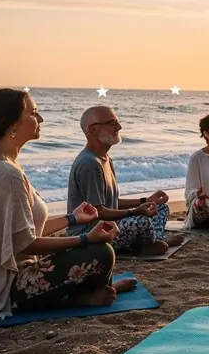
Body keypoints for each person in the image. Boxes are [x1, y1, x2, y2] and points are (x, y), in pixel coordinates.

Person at [0, 88, 132, 323]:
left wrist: (73, 219)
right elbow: (27, 243)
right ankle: (78, 298)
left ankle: (90, 292)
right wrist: (86, 239)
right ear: (11, 124)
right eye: (34, 113)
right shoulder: (6, 173)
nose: (40, 119)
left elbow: (22, 231)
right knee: (100, 251)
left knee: (94, 249)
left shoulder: (1, 164)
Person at [68, 105, 184, 256]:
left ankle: (150, 241)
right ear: (93, 130)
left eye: (117, 122)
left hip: (109, 225)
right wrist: (135, 211)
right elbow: (98, 212)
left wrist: (145, 200)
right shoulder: (90, 164)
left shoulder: (105, 159)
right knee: (142, 221)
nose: (119, 127)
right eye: (112, 123)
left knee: (160, 208)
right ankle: (152, 243)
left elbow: (113, 202)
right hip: (91, 233)